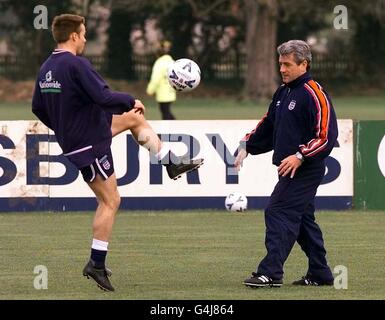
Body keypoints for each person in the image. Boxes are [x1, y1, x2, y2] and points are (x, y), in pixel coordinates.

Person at [32, 14, 203, 292]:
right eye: (84, 34)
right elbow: (104, 97)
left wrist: (64, 127)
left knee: (134, 119)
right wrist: (130, 99)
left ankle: (169, 162)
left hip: (84, 132)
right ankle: (96, 264)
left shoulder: (46, 68)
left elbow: (38, 108)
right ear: (74, 36)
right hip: (87, 142)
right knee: (110, 200)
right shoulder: (76, 64)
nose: (86, 38)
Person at [235, 40, 338, 288]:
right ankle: (320, 274)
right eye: (280, 64)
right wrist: (247, 145)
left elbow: (326, 136)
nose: (282, 69)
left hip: (306, 168)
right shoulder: (283, 92)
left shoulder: (315, 94)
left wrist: (300, 155)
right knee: (302, 221)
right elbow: (269, 125)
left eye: (287, 64)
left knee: (277, 211)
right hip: (288, 167)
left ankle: (270, 273)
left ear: (304, 64)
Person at [146, 40, 177, 120]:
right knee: (166, 111)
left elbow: (156, 78)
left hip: (163, 93)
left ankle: (173, 129)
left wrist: (150, 90)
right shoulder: (172, 62)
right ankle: (175, 127)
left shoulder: (159, 63)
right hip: (171, 91)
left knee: (165, 113)